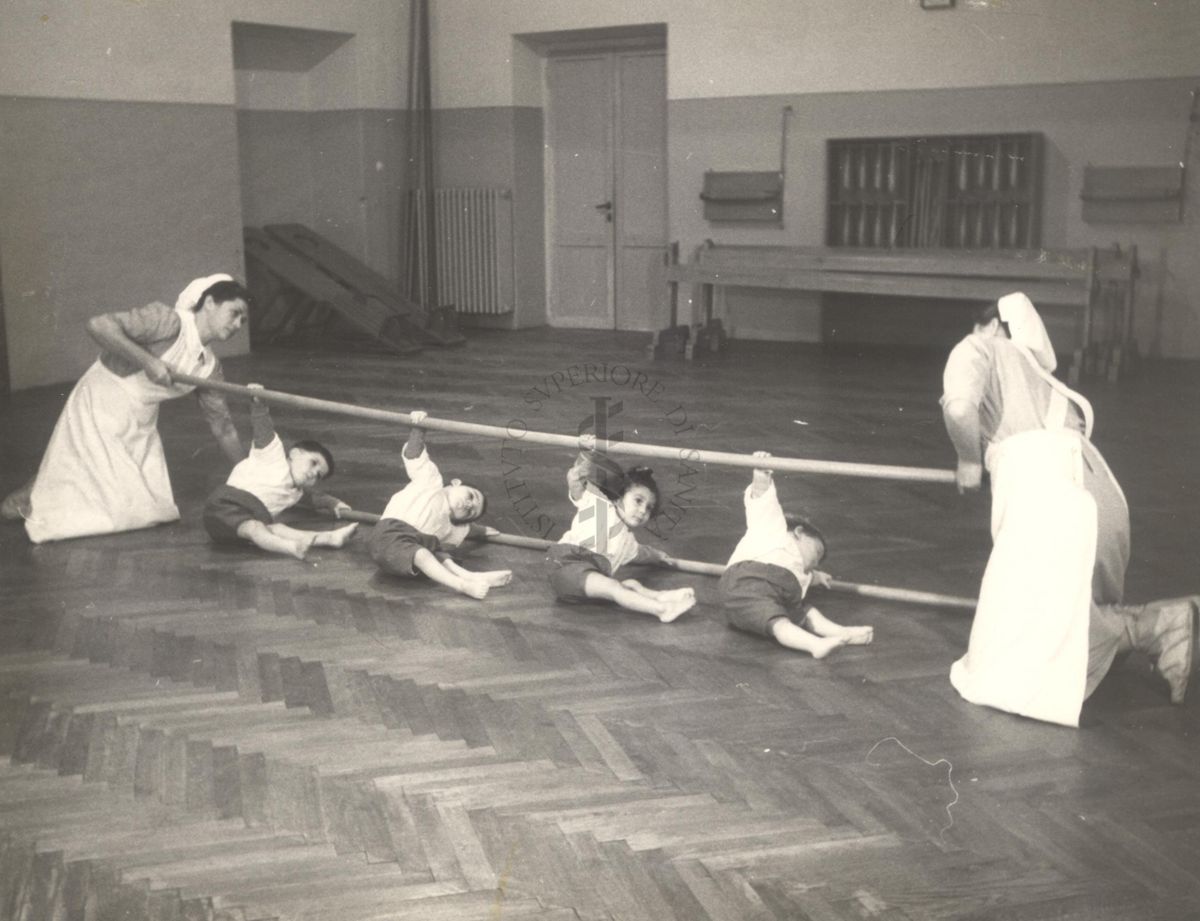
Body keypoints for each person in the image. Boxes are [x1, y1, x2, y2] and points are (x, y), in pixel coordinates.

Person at [941, 291, 1196, 726]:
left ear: (992, 326)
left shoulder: (979, 345)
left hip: (1049, 496)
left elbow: (961, 406)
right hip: (1102, 493)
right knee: (1067, 614)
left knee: (1006, 662)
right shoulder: (1047, 379)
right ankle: (1168, 626)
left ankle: (1158, 627)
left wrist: (967, 459)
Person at [2, 274, 251, 543]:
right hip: (101, 399)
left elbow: (223, 428)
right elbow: (98, 325)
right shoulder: (167, 320)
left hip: (141, 420)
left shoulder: (209, 368)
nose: (238, 324)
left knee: (150, 512)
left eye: (243, 320)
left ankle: (49, 481)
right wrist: (147, 361)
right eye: (234, 313)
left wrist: (248, 474)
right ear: (210, 303)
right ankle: (37, 491)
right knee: (112, 513)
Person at [719, 452, 874, 657]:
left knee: (806, 611)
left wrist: (817, 576)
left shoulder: (801, 571)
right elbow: (762, 503)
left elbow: (807, 575)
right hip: (748, 582)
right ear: (799, 533)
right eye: (817, 552)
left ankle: (841, 632)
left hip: (781, 595)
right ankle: (813, 645)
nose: (814, 563)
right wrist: (761, 473)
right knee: (779, 623)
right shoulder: (772, 530)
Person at [547, 433, 695, 622]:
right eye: (638, 501)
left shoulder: (627, 541)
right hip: (567, 567)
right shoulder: (597, 505)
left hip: (589, 579)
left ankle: (661, 596)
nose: (642, 511)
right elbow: (575, 478)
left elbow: (641, 553)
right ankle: (661, 609)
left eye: (648, 508)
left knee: (631, 584)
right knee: (615, 588)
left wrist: (658, 556)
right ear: (618, 497)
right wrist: (586, 451)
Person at [202, 384, 357, 559]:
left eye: (319, 475)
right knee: (257, 528)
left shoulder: (296, 493)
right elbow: (263, 427)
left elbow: (315, 499)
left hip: (244, 528)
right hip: (226, 505)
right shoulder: (272, 456)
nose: (314, 473)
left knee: (277, 529)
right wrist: (258, 400)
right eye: (313, 463)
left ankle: (330, 538)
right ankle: (291, 548)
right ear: (294, 453)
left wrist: (334, 503)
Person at [368, 410, 510, 599]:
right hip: (390, 534)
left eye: (471, 511)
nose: (469, 504)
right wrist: (419, 427)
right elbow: (414, 455)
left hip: (415, 548)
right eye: (471, 496)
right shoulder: (431, 482)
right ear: (456, 483)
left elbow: (470, 530)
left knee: (438, 552)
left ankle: (471, 575)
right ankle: (461, 584)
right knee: (424, 553)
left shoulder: (451, 528)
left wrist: (484, 532)